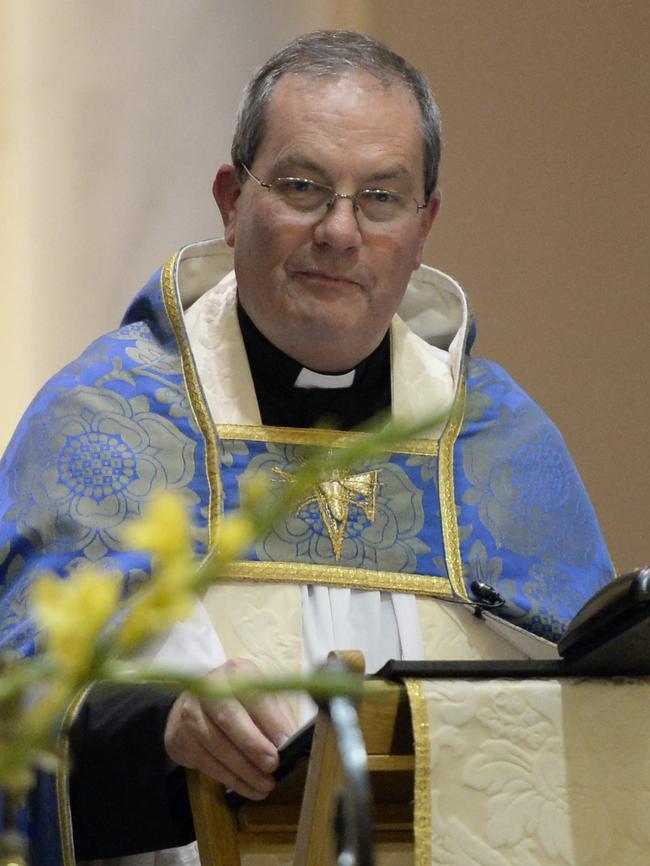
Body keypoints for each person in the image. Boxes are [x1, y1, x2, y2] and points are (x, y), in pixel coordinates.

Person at [0, 30, 613, 866]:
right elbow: (15, 733)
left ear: (426, 224)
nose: (339, 231)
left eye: (381, 199)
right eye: (302, 186)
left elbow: (598, 732)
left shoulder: (497, 442)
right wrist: (162, 730)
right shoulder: (102, 423)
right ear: (229, 198)